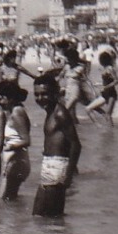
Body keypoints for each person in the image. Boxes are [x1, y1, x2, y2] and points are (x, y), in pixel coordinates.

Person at [32, 74, 81, 218]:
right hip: (50, 166)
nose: (40, 98)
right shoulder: (51, 112)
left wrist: (68, 175)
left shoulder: (60, 113)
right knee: (50, 216)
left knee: (42, 216)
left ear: (55, 93)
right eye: (37, 95)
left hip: (57, 168)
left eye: (44, 94)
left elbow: (75, 144)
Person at [0, 80, 32, 201]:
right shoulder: (12, 111)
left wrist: (8, 147)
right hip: (15, 161)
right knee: (10, 200)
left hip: (16, 162)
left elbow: (26, 140)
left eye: (2, 98)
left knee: (3, 200)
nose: (0, 101)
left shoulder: (17, 112)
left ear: (10, 98)